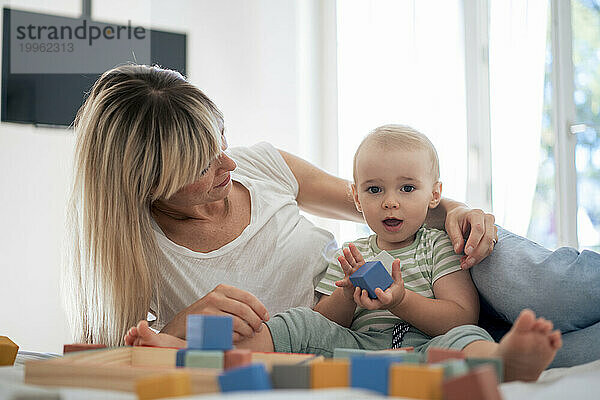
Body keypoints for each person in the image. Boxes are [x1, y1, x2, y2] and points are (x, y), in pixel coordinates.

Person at [65, 64, 598, 368]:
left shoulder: (260, 165)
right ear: (149, 183)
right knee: (567, 353)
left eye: (220, 142)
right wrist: (178, 328)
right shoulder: (136, 252)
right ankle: (504, 360)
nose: (231, 163)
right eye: (202, 165)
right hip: (343, 337)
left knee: (542, 287)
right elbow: (108, 361)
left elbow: (388, 200)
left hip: (447, 270)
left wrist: (461, 211)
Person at [124, 125, 562, 382]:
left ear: (435, 195)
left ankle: (505, 364)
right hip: (357, 348)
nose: (390, 202)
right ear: (356, 197)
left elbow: (460, 315)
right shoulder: (349, 253)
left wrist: (401, 300)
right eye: (375, 190)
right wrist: (347, 293)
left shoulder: (435, 246)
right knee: (295, 323)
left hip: (427, 346)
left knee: (470, 339)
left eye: (407, 189)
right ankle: (184, 347)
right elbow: (325, 322)